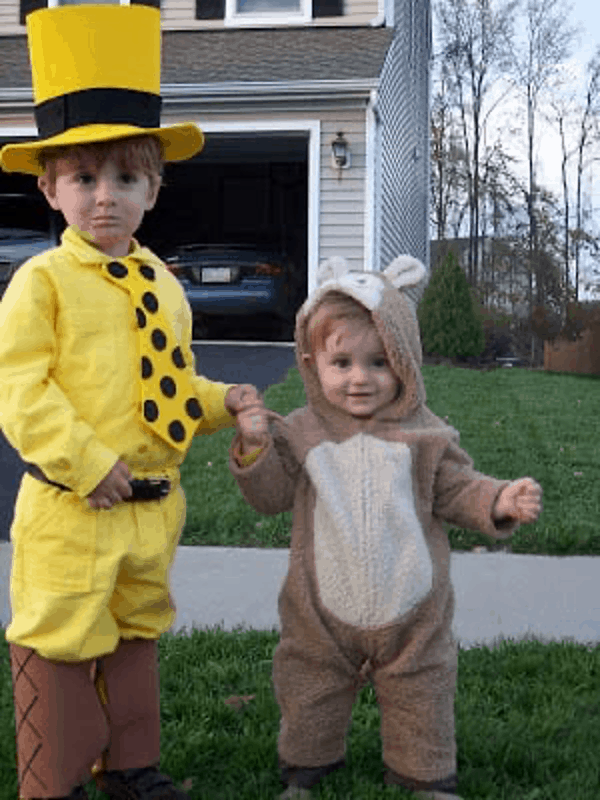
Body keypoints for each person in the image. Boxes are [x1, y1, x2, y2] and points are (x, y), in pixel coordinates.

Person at [0, 4, 261, 800]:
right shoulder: (40, 283)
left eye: (126, 178)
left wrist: (226, 401)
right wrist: (86, 460)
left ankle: (134, 769)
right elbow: (21, 392)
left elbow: (170, 388)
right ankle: (56, 781)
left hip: (151, 515)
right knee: (62, 643)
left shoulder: (164, 287)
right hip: (73, 513)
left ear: (154, 189)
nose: (104, 197)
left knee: (135, 639)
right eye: (85, 178)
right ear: (50, 187)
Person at [229, 254, 543, 800]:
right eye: (342, 362)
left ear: (406, 360)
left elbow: (455, 488)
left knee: (422, 688)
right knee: (309, 683)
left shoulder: (425, 435)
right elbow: (272, 496)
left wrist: (498, 500)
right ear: (310, 362)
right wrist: (256, 449)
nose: (360, 379)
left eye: (379, 362)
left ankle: (426, 775)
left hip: (413, 607)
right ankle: (306, 769)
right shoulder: (301, 432)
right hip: (320, 608)